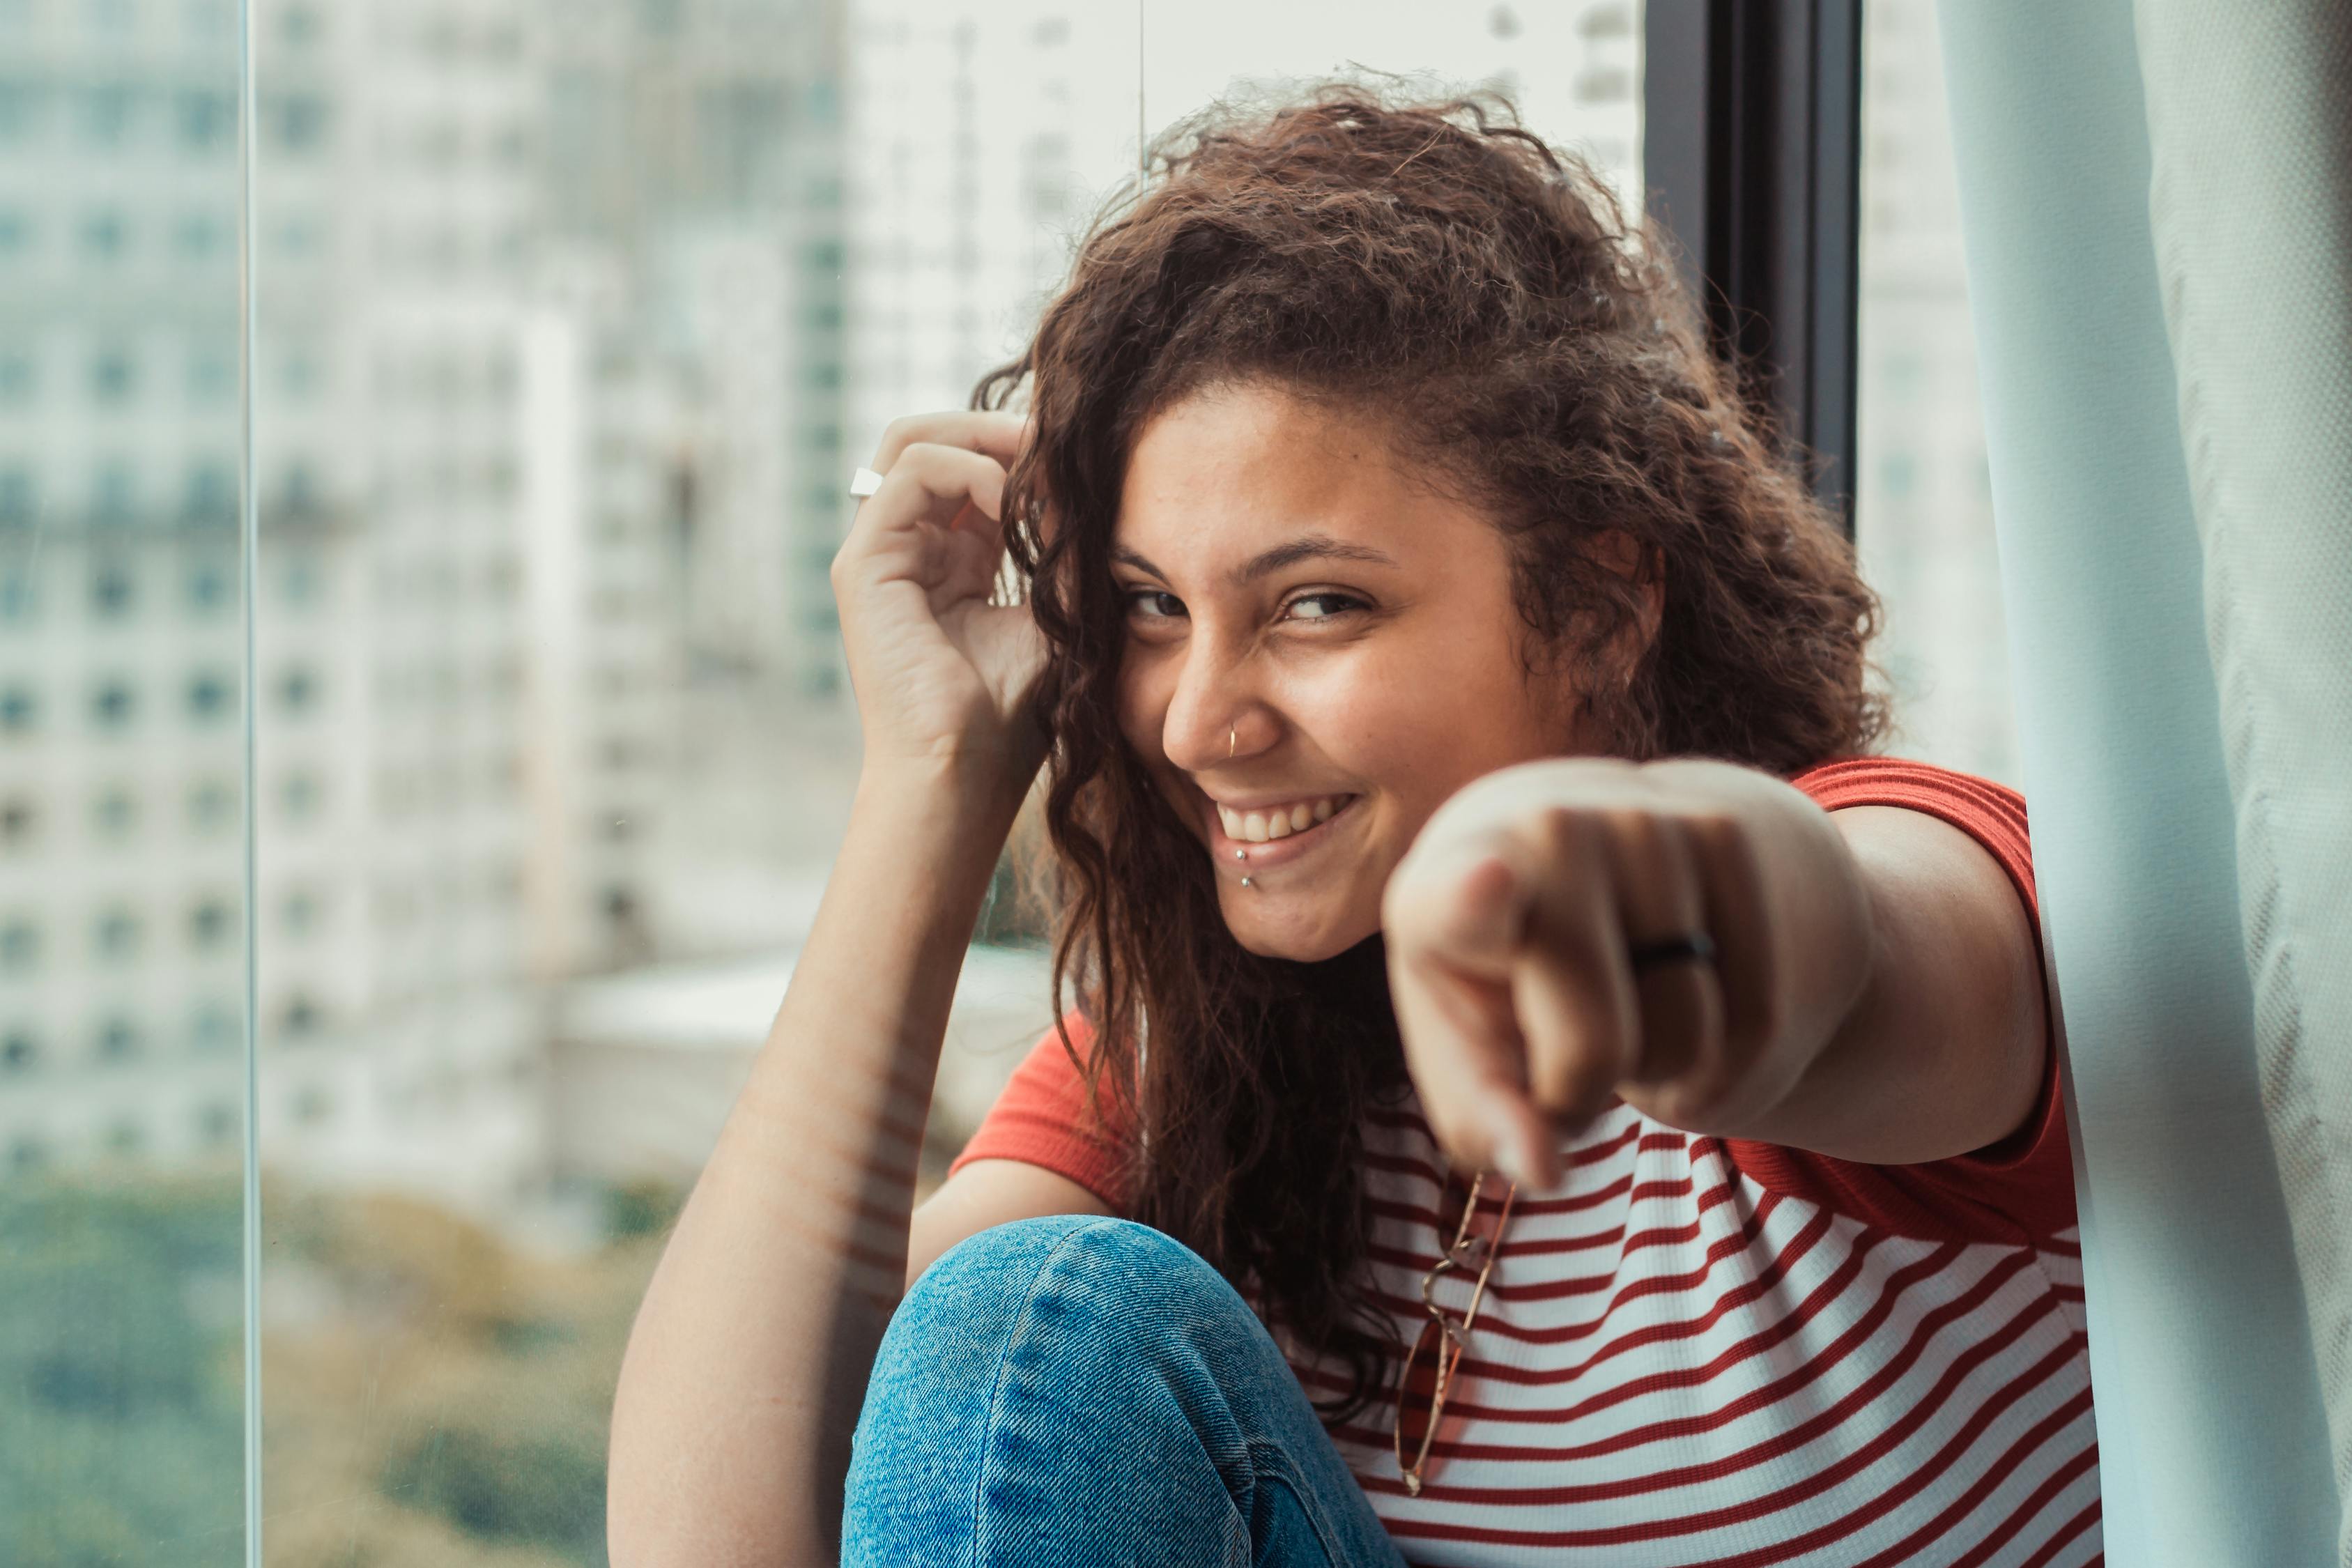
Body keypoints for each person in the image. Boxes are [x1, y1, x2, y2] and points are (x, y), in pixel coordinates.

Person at [606, 84, 2094, 1567]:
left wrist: (1670, 883)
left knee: (1037, 1313)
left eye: (1317, 605)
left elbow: (1844, 944)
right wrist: (929, 784)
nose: (1197, 722)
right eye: (1149, 610)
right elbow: (717, 1546)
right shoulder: (1217, 1067)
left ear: (1601, 601)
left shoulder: (1892, 858)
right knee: (1020, 1324)